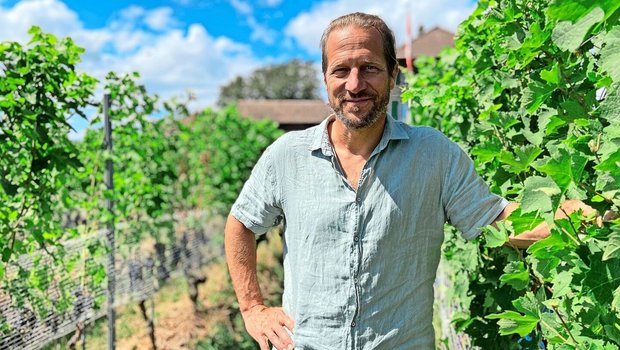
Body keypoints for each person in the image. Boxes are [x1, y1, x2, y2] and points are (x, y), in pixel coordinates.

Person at [224, 12, 547, 350]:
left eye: (369, 68)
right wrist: (253, 308)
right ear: (325, 78)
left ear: (393, 75)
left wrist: (579, 219)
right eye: (340, 70)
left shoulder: (434, 154)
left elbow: (495, 221)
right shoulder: (287, 156)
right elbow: (241, 223)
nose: (354, 84)